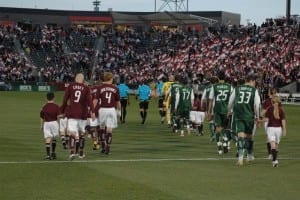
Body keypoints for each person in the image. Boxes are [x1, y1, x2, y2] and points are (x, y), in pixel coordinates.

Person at [228, 73, 261, 166]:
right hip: (249, 116)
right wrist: (258, 118)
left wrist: (229, 110)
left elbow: (230, 101)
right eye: (255, 81)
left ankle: (240, 159)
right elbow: (258, 105)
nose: (255, 83)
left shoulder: (237, 88)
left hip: (239, 115)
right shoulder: (254, 91)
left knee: (241, 136)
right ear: (251, 80)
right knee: (249, 137)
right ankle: (250, 155)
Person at [61, 73, 95, 160]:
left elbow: (65, 100)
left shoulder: (70, 86)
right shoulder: (86, 88)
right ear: (83, 80)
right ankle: (81, 152)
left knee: (72, 133)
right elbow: (90, 101)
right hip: (83, 114)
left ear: (76, 78)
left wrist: (62, 110)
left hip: (72, 113)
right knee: (81, 134)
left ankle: (72, 151)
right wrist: (92, 112)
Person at [93, 72, 121, 155]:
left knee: (101, 128)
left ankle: (103, 145)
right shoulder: (115, 88)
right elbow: (118, 102)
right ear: (110, 79)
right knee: (109, 130)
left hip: (102, 110)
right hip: (112, 110)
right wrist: (119, 111)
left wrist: (92, 111)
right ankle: (108, 146)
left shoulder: (99, 88)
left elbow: (95, 100)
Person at [208, 71, 233, 155]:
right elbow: (233, 100)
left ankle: (219, 148)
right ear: (225, 78)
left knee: (218, 128)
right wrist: (231, 111)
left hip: (217, 110)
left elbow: (211, 100)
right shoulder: (230, 87)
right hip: (226, 110)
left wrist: (209, 111)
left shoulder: (214, 86)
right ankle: (225, 141)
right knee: (225, 128)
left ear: (218, 78)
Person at [264, 95, 286, 167]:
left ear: (271, 101)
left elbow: (266, 120)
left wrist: (259, 121)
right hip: (278, 129)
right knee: (276, 145)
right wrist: (284, 129)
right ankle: (275, 159)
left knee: (272, 145)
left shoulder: (269, 109)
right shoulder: (281, 109)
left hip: (270, 128)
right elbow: (283, 120)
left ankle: (275, 160)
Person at [40, 92, 61, 160]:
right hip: (54, 123)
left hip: (46, 123)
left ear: (46, 98)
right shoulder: (56, 106)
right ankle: (53, 152)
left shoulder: (44, 107)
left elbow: (41, 117)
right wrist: (58, 124)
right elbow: (58, 116)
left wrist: (41, 125)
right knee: (54, 138)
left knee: (48, 138)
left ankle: (48, 155)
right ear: (54, 98)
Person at [261, 87, 279, 159]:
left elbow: (262, 112)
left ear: (269, 93)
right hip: (276, 122)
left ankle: (270, 154)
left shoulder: (266, 101)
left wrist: (261, 119)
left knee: (269, 138)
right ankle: (273, 154)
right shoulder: (278, 101)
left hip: (268, 121)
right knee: (274, 138)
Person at [201, 76, 217, 142]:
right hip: (219, 106)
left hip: (209, 106)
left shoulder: (207, 88)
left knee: (210, 120)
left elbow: (203, 98)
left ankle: (213, 134)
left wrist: (202, 106)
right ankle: (216, 134)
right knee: (217, 121)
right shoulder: (217, 87)